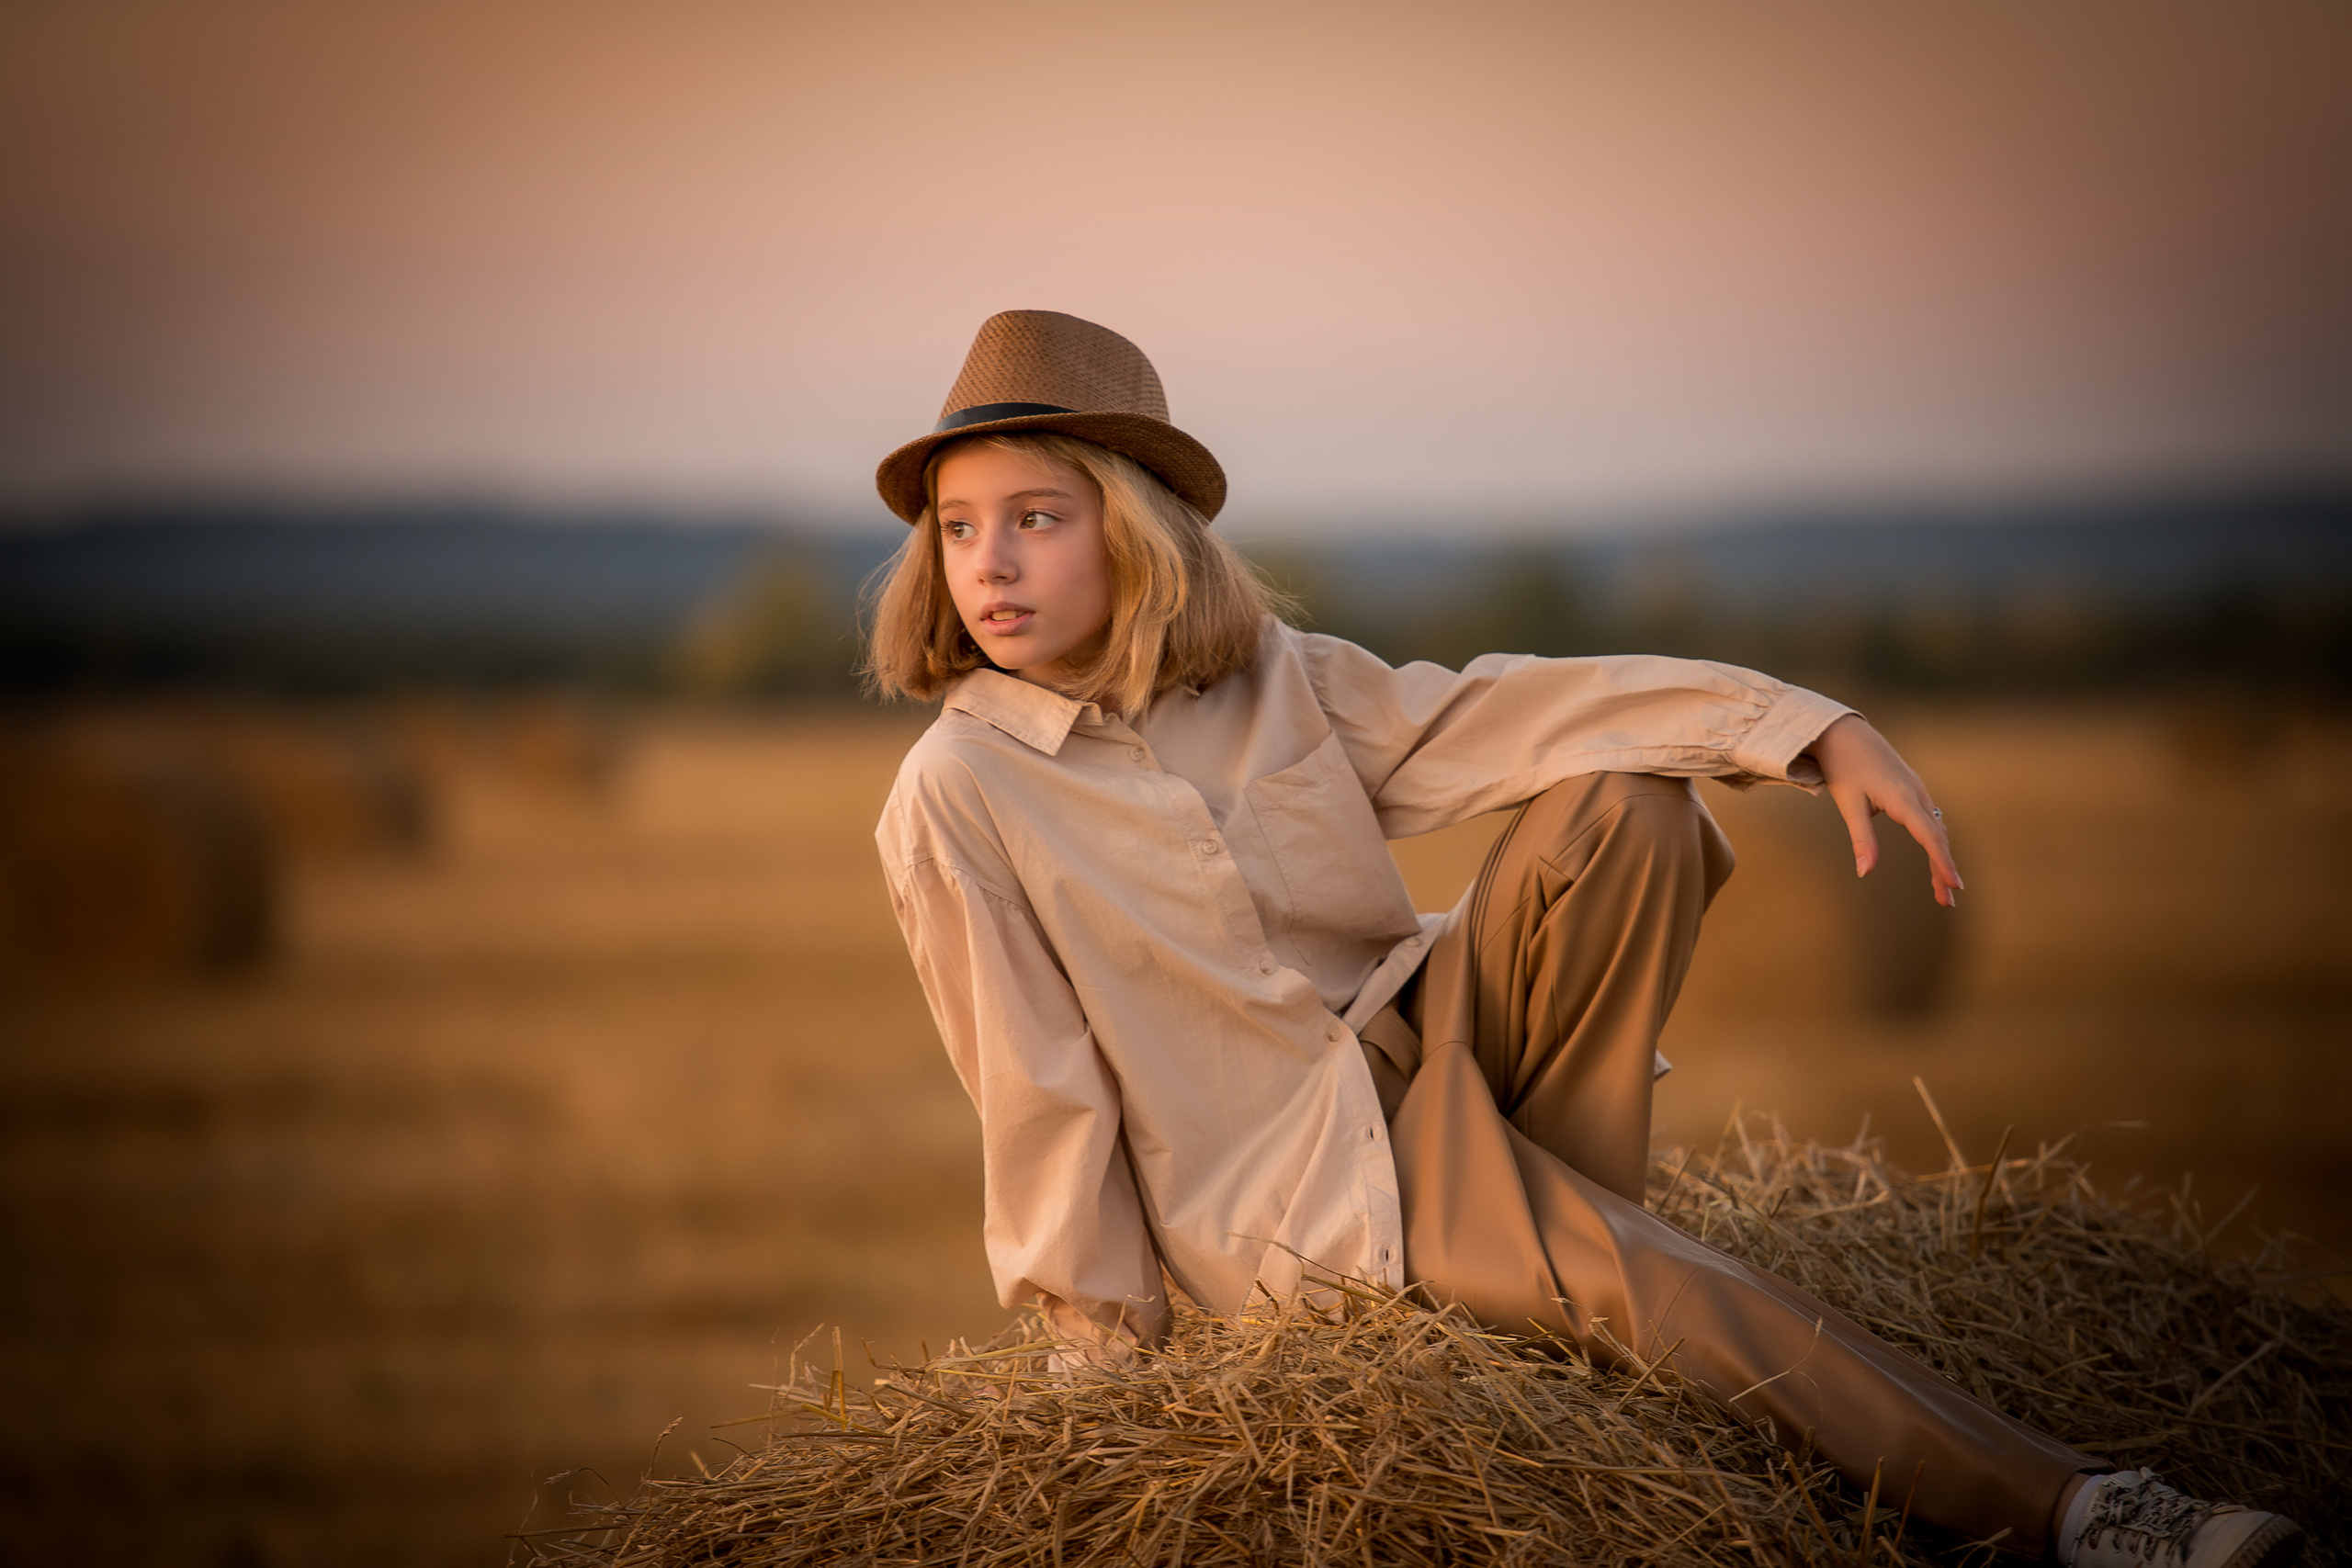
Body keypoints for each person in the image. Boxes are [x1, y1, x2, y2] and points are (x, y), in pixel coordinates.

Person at [863, 310, 2305, 1568]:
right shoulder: (958, 791)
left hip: (1443, 1055)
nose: (992, 563)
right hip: (1304, 1196)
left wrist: (1807, 730)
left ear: (1132, 526)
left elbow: (1510, 708)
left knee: (1629, 799)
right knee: (1676, 1292)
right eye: (960, 526)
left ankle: (1558, 1203)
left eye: (1036, 517)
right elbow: (1037, 1092)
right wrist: (1105, 1377)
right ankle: (2081, 1512)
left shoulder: (1264, 676)